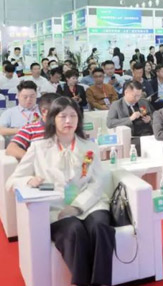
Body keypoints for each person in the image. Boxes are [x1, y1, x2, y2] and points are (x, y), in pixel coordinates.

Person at [6, 96, 114, 286]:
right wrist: (29, 180)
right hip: (57, 208)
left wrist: (78, 206)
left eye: (73, 116)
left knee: (100, 227)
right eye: (63, 116)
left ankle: (101, 282)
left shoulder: (89, 146)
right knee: (74, 230)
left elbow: (98, 182)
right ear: (53, 119)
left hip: (90, 203)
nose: (68, 121)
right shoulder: (39, 147)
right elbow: (12, 181)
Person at [6, 93, 60, 161]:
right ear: (44, 111)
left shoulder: (67, 128)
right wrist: (36, 160)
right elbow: (11, 148)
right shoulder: (30, 129)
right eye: (58, 111)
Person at [107, 81, 154, 154]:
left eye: (139, 96)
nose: (137, 98)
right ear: (126, 92)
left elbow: (155, 115)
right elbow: (109, 123)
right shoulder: (117, 105)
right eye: (135, 96)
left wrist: (150, 118)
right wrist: (130, 119)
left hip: (149, 133)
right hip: (134, 137)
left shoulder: (143, 102)